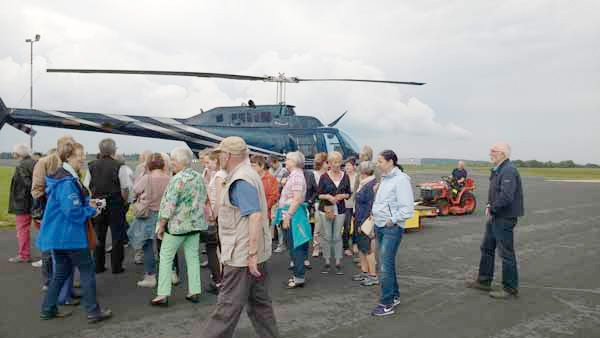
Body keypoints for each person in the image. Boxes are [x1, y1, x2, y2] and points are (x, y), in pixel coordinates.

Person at [204, 136, 279, 338]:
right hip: (253, 253)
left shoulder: (240, 179)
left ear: (227, 155)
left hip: (243, 256)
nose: (219, 157)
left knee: (227, 307)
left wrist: (251, 254)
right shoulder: (249, 174)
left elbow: (253, 215)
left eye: (220, 154)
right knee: (259, 305)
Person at [37, 142, 112, 323]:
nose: (83, 157)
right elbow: (73, 212)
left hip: (58, 235)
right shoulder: (67, 181)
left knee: (60, 273)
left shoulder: (64, 177)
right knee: (87, 271)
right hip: (70, 236)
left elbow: (71, 205)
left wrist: (89, 204)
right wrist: (92, 211)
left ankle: (48, 308)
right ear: (68, 156)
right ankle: (93, 311)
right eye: (80, 154)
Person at [466, 142, 524, 299]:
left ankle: (510, 289)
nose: (490, 153)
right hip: (496, 216)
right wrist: (489, 205)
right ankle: (484, 281)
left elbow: (506, 196)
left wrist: (492, 208)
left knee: (506, 253)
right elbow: (495, 193)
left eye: (494, 151)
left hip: (504, 218)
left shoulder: (508, 170)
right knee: (487, 248)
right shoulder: (498, 170)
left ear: (503, 154)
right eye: (490, 150)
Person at [151, 147, 207, 306]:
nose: (171, 164)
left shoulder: (177, 179)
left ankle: (162, 294)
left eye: (173, 161)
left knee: (166, 257)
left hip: (177, 226)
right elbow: (204, 198)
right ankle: (195, 290)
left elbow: (169, 205)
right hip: (194, 224)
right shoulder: (198, 177)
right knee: (193, 257)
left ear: (181, 162)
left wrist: (161, 225)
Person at [370, 150, 414, 317]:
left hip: (391, 228)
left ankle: (386, 304)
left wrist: (392, 219)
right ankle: (394, 296)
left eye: (380, 161)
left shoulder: (401, 180)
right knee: (385, 263)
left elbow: (407, 209)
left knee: (384, 265)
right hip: (381, 225)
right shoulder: (385, 178)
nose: (377, 164)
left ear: (390, 162)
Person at [31, 136, 75, 287]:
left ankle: (65, 286)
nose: (69, 147)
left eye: (72, 145)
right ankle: (49, 282)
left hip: (68, 212)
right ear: (59, 145)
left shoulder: (71, 162)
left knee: (67, 249)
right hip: (49, 211)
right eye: (67, 145)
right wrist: (54, 199)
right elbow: (36, 190)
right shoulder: (44, 162)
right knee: (49, 249)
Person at [128, 153, 171, 288]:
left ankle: (150, 276)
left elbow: (134, 191)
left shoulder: (146, 178)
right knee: (165, 247)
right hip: (164, 214)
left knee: (147, 246)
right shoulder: (169, 178)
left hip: (148, 214)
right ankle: (169, 274)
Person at [88, 138, 127, 274]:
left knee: (99, 235)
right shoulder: (119, 165)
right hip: (115, 203)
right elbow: (125, 187)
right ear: (114, 150)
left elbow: (87, 186)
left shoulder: (91, 165)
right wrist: (124, 200)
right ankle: (117, 266)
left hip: (98, 204)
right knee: (117, 235)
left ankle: (98, 265)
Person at [275, 151, 310, 288]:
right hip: (292, 213)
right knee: (295, 246)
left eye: (288, 159)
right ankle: (298, 275)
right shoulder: (295, 176)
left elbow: (296, 199)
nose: (285, 162)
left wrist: (288, 216)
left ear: (294, 162)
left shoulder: (296, 177)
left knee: (295, 246)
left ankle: (299, 277)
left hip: (293, 215)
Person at [317, 151, 352, 275]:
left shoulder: (345, 176)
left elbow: (349, 193)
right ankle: (327, 262)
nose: (337, 165)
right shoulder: (324, 177)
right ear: (329, 163)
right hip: (326, 209)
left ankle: (337, 262)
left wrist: (343, 195)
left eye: (339, 162)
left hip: (341, 210)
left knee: (337, 236)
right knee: (327, 236)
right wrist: (328, 196)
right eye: (334, 162)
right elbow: (318, 195)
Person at [203, 150, 227, 294]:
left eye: (208, 162)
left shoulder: (218, 175)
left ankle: (219, 281)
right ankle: (221, 280)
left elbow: (218, 198)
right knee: (219, 249)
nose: (206, 165)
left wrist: (214, 215)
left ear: (215, 161)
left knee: (214, 248)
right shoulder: (216, 175)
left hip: (216, 215)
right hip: (217, 214)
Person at [8, 143, 36, 263]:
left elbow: (29, 184)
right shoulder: (35, 163)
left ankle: (24, 254)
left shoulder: (21, 166)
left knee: (22, 229)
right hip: (35, 203)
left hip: (23, 203)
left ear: (17, 154)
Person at [352, 161, 379, 287]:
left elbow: (369, 207)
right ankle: (365, 272)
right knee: (362, 248)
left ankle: (373, 275)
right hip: (360, 219)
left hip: (364, 221)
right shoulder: (366, 184)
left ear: (362, 172)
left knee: (367, 249)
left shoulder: (369, 185)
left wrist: (362, 223)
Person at [251, 156, 280, 251]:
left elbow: (274, 195)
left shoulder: (271, 179)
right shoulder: (251, 178)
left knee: (264, 236)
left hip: (265, 212)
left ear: (262, 166)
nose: (252, 168)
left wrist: (265, 207)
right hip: (252, 212)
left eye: (254, 166)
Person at [311, 152, 328, 257]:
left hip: (328, 203)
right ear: (321, 163)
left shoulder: (329, 174)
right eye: (326, 162)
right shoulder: (314, 174)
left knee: (326, 228)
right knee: (318, 227)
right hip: (318, 203)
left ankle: (323, 247)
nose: (328, 164)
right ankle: (316, 247)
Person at [342, 157, 359, 257]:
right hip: (346, 204)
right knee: (347, 226)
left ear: (354, 166)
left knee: (356, 225)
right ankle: (346, 247)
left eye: (349, 165)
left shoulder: (358, 176)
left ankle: (355, 244)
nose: (346, 167)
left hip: (356, 204)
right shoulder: (343, 177)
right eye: (346, 165)